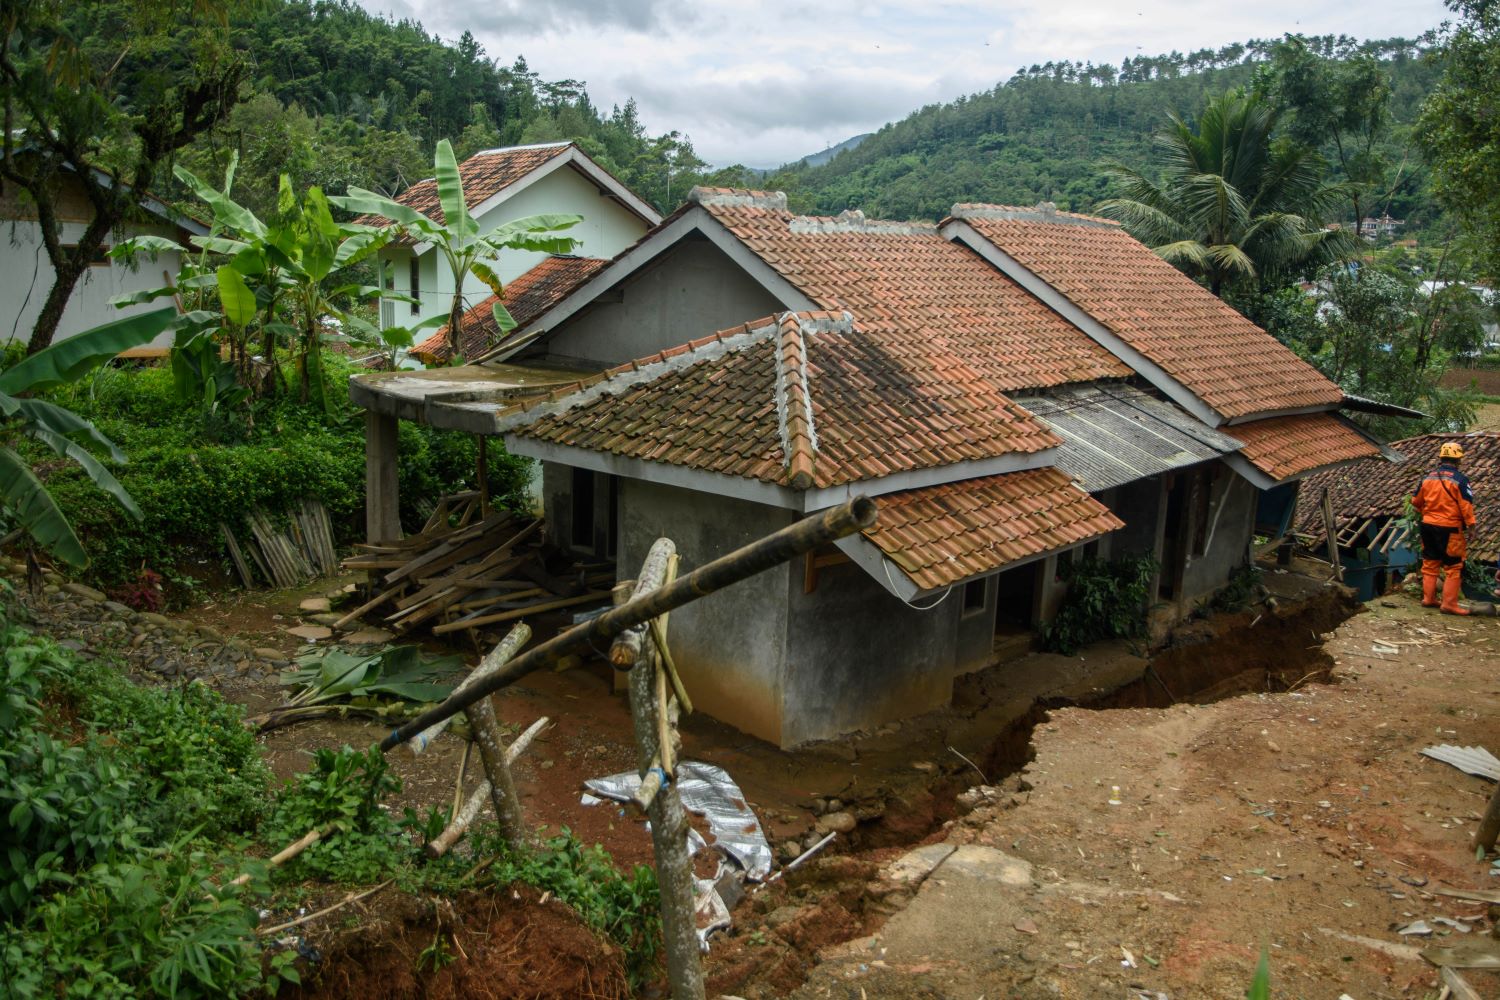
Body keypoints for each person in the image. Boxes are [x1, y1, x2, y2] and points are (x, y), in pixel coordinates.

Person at [1411, 441, 1476, 616]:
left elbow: (1415, 501)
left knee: (1430, 563)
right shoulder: (1461, 480)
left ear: (1441, 458)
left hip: (1428, 526)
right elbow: (1466, 506)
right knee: (1453, 566)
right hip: (1450, 528)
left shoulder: (1427, 478)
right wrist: (1471, 525)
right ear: (1458, 460)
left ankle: (1428, 599)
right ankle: (1449, 604)